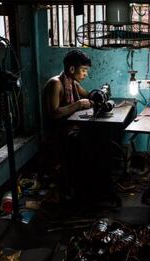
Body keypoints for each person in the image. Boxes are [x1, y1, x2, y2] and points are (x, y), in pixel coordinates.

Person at [42, 49, 92, 198]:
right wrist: (78, 105)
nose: (85, 74)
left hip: (68, 129)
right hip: (56, 134)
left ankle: (84, 186)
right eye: (83, 70)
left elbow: (88, 96)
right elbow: (54, 113)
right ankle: (72, 190)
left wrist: (101, 95)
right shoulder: (56, 83)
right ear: (72, 69)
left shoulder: (73, 83)